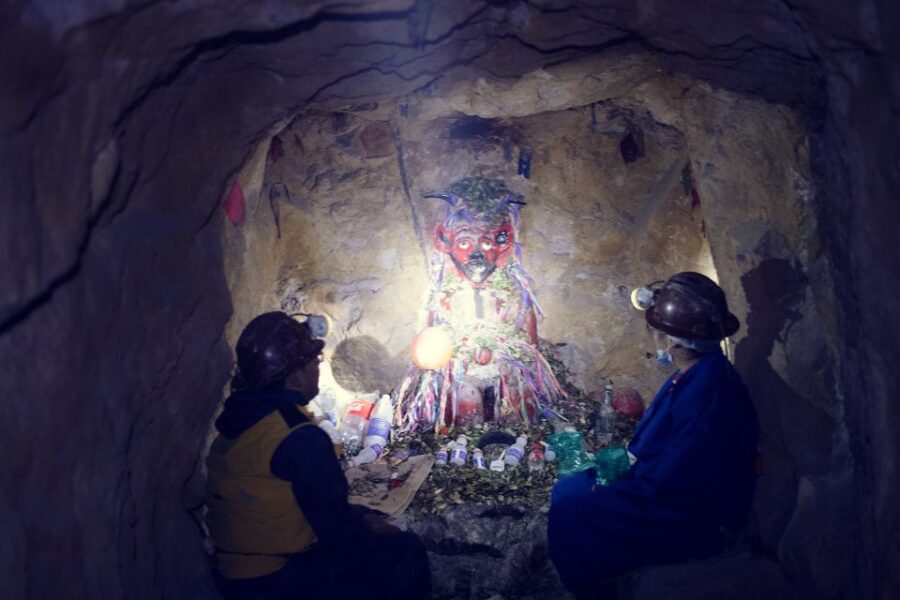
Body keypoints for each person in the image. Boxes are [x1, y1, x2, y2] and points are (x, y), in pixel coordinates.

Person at [548, 272, 759, 598]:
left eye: (655, 331)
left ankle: (599, 589)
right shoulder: (691, 376)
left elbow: (678, 475)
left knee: (570, 516)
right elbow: (651, 443)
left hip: (690, 515)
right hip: (660, 487)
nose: (653, 337)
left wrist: (618, 482)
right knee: (570, 487)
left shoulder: (709, 391)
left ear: (674, 340)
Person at [205, 311, 431, 600]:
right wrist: (371, 526)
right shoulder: (297, 435)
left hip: (233, 572)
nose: (317, 369)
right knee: (404, 551)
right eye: (314, 362)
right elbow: (336, 527)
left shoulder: (238, 420)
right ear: (295, 376)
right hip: (276, 580)